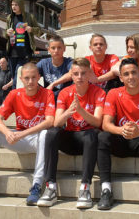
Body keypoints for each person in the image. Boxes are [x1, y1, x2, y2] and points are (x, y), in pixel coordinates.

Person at [0, 63, 55, 205]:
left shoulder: (47, 94)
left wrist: (21, 134)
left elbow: (50, 121)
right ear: (21, 79)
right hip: (19, 139)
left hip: (36, 139)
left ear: (39, 77)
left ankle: (37, 185)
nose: (30, 81)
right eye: (27, 78)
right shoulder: (15, 94)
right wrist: (8, 132)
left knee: (46, 134)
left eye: (34, 77)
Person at [97, 58, 139, 212]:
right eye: (126, 74)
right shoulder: (113, 93)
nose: (130, 77)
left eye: (134, 72)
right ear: (120, 78)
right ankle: (106, 190)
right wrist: (122, 130)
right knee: (102, 136)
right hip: (123, 140)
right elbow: (105, 124)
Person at [38, 58, 105, 209]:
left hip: (87, 139)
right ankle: (51, 187)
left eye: (83, 73)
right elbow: (56, 122)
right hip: (70, 137)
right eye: (76, 74)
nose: (79, 77)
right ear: (71, 75)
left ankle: (85, 188)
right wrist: (70, 111)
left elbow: (97, 122)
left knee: (92, 133)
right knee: (51, 133)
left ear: (89, 74)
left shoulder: (99, 92)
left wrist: (81, 111)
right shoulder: (64, 93)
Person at [5, 0, 41, 88]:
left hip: (24, 53)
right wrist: (7, 33)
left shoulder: (29, 17)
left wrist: (31, 29)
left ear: (21, 5)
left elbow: (39, 31)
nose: (13, 7)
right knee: (14, 78)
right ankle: (17, 96)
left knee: (18, 74)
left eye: (16, 5)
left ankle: (14, 96)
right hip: (12, 52)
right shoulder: (10, 18)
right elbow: (5, 34)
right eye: (12, 5)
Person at [36, 36, 72, 101]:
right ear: (48, 49)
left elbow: (71, 73)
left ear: (64, 48)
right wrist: (41, 90)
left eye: (59, 48)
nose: (56, 51)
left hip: (65, 98)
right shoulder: (44, 63)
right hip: (49, 97)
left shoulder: (69, 62)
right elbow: (31, 72)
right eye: (53, 48)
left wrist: (53, 84)